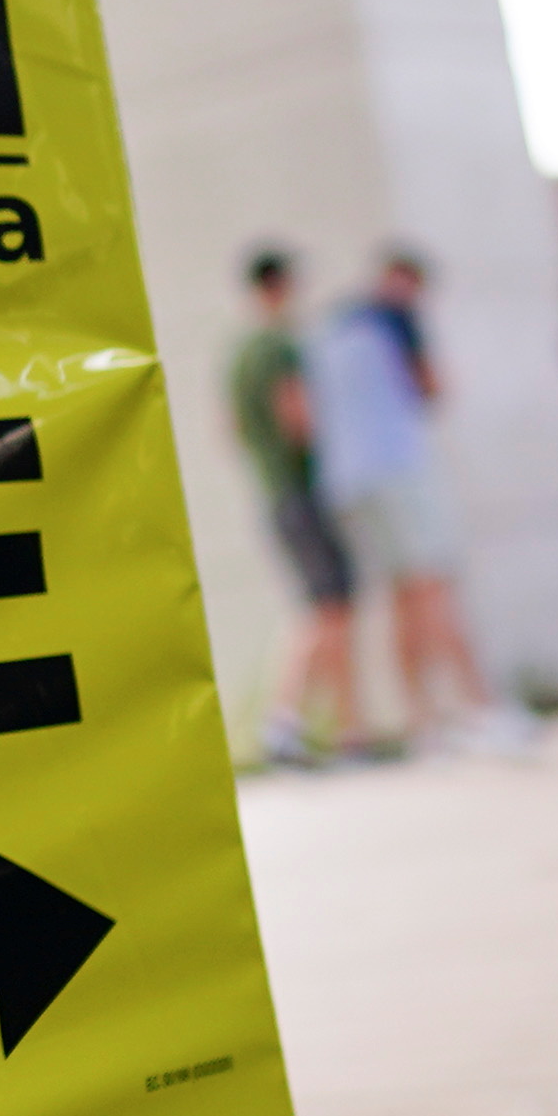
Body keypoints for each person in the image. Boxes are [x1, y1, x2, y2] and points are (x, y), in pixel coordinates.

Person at [309, 244, 519, 749]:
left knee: (402, 595)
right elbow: (432, 387)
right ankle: (480, 708)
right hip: (396, 469)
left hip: (347, 481)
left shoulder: (331, 325)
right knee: (434, 587)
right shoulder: (395, 319)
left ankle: (424, 722)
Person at [230, 248, 362, 759]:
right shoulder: (278, 348)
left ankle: (332, 729)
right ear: (280, 286)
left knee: (325, 607)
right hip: (301, 493)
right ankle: (287, 722)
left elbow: (232, 429)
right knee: (328, 608)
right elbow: (298, 419)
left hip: (275, 494)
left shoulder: (239, 354)